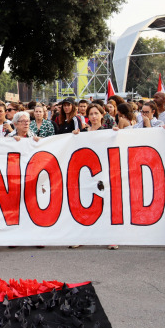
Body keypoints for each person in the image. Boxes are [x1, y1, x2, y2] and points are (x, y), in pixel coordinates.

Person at [73, 103, 119, 250]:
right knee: (86, 205)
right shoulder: (83, 133)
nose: (93, 117)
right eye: (91, 114)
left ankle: (111, 237)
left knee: (106, 204)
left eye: (96, 114)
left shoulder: (107, 132)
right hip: (87, 173)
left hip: (103, 173)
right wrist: (74, 137)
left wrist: (117, 135)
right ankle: (83, 236)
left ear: (102, 115)